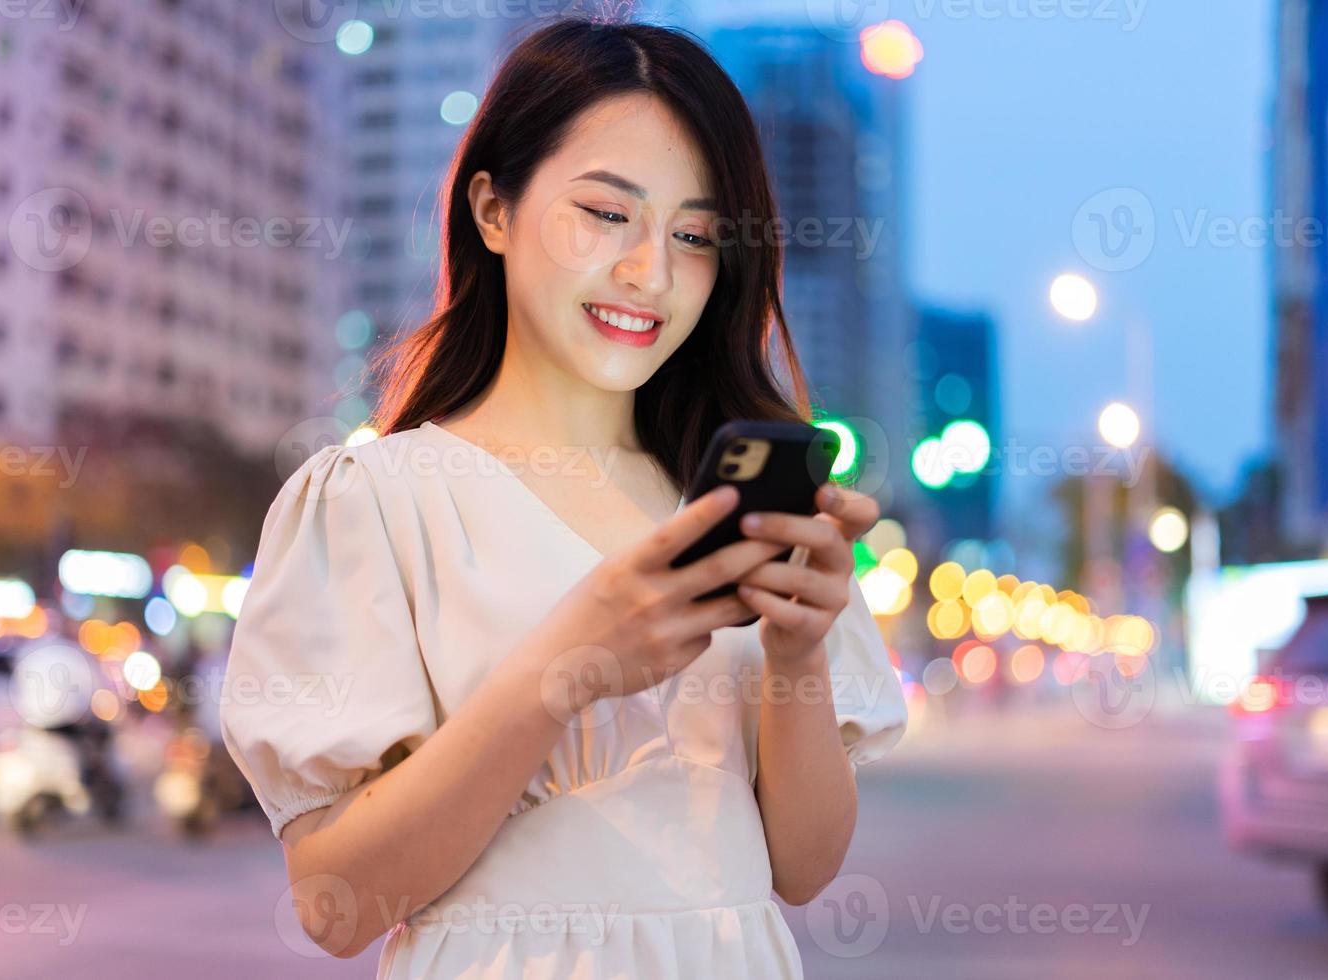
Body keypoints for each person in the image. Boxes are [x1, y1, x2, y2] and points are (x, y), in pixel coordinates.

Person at [219, 18, 906, 978]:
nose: (650, 272)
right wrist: (566, 668)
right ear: (492, 211)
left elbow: (802, 867)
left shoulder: (734, 509)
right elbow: (337, 908)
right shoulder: (375, 501)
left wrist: (796, 651)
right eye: (605, 213)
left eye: (696, 234)